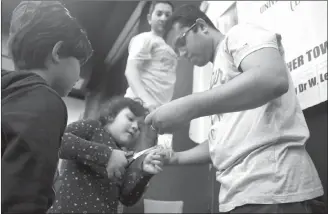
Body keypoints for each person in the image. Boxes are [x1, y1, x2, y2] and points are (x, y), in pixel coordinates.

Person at [146, 4, 324, 213]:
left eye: (181, 42)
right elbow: (223, 143)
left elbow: (272, 78)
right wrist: (176, 157)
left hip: (274, 190)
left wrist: (188, 106)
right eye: (177, 51)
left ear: (201, 26)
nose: (182, 53)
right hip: (238, 197)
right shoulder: (218, 80)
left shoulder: (239, 34)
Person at [1, 1, 93, 213]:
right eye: (79, 61)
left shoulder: (9, 94)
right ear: (58, 52)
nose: (79, 75)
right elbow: (24, 194)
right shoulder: (46, 101)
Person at [48, 97, 165, 214]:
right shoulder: (93, 128)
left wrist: (144, 175)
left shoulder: (128, 157)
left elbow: (127, 199)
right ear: (111, 116)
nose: (135, 127)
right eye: (130, 119)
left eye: (139, 127)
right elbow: (58, 141)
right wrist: (107, 155)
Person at [124, 1, 177, 151]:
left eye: (168, 15)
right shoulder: (145, 39)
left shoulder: (170, 47)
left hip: (156, 114)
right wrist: (146, 101)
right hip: (139, 107)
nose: (163, 18)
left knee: (142, 162)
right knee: (128, 158)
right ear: (149, 18)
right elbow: (131, 70)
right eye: (159, 13)